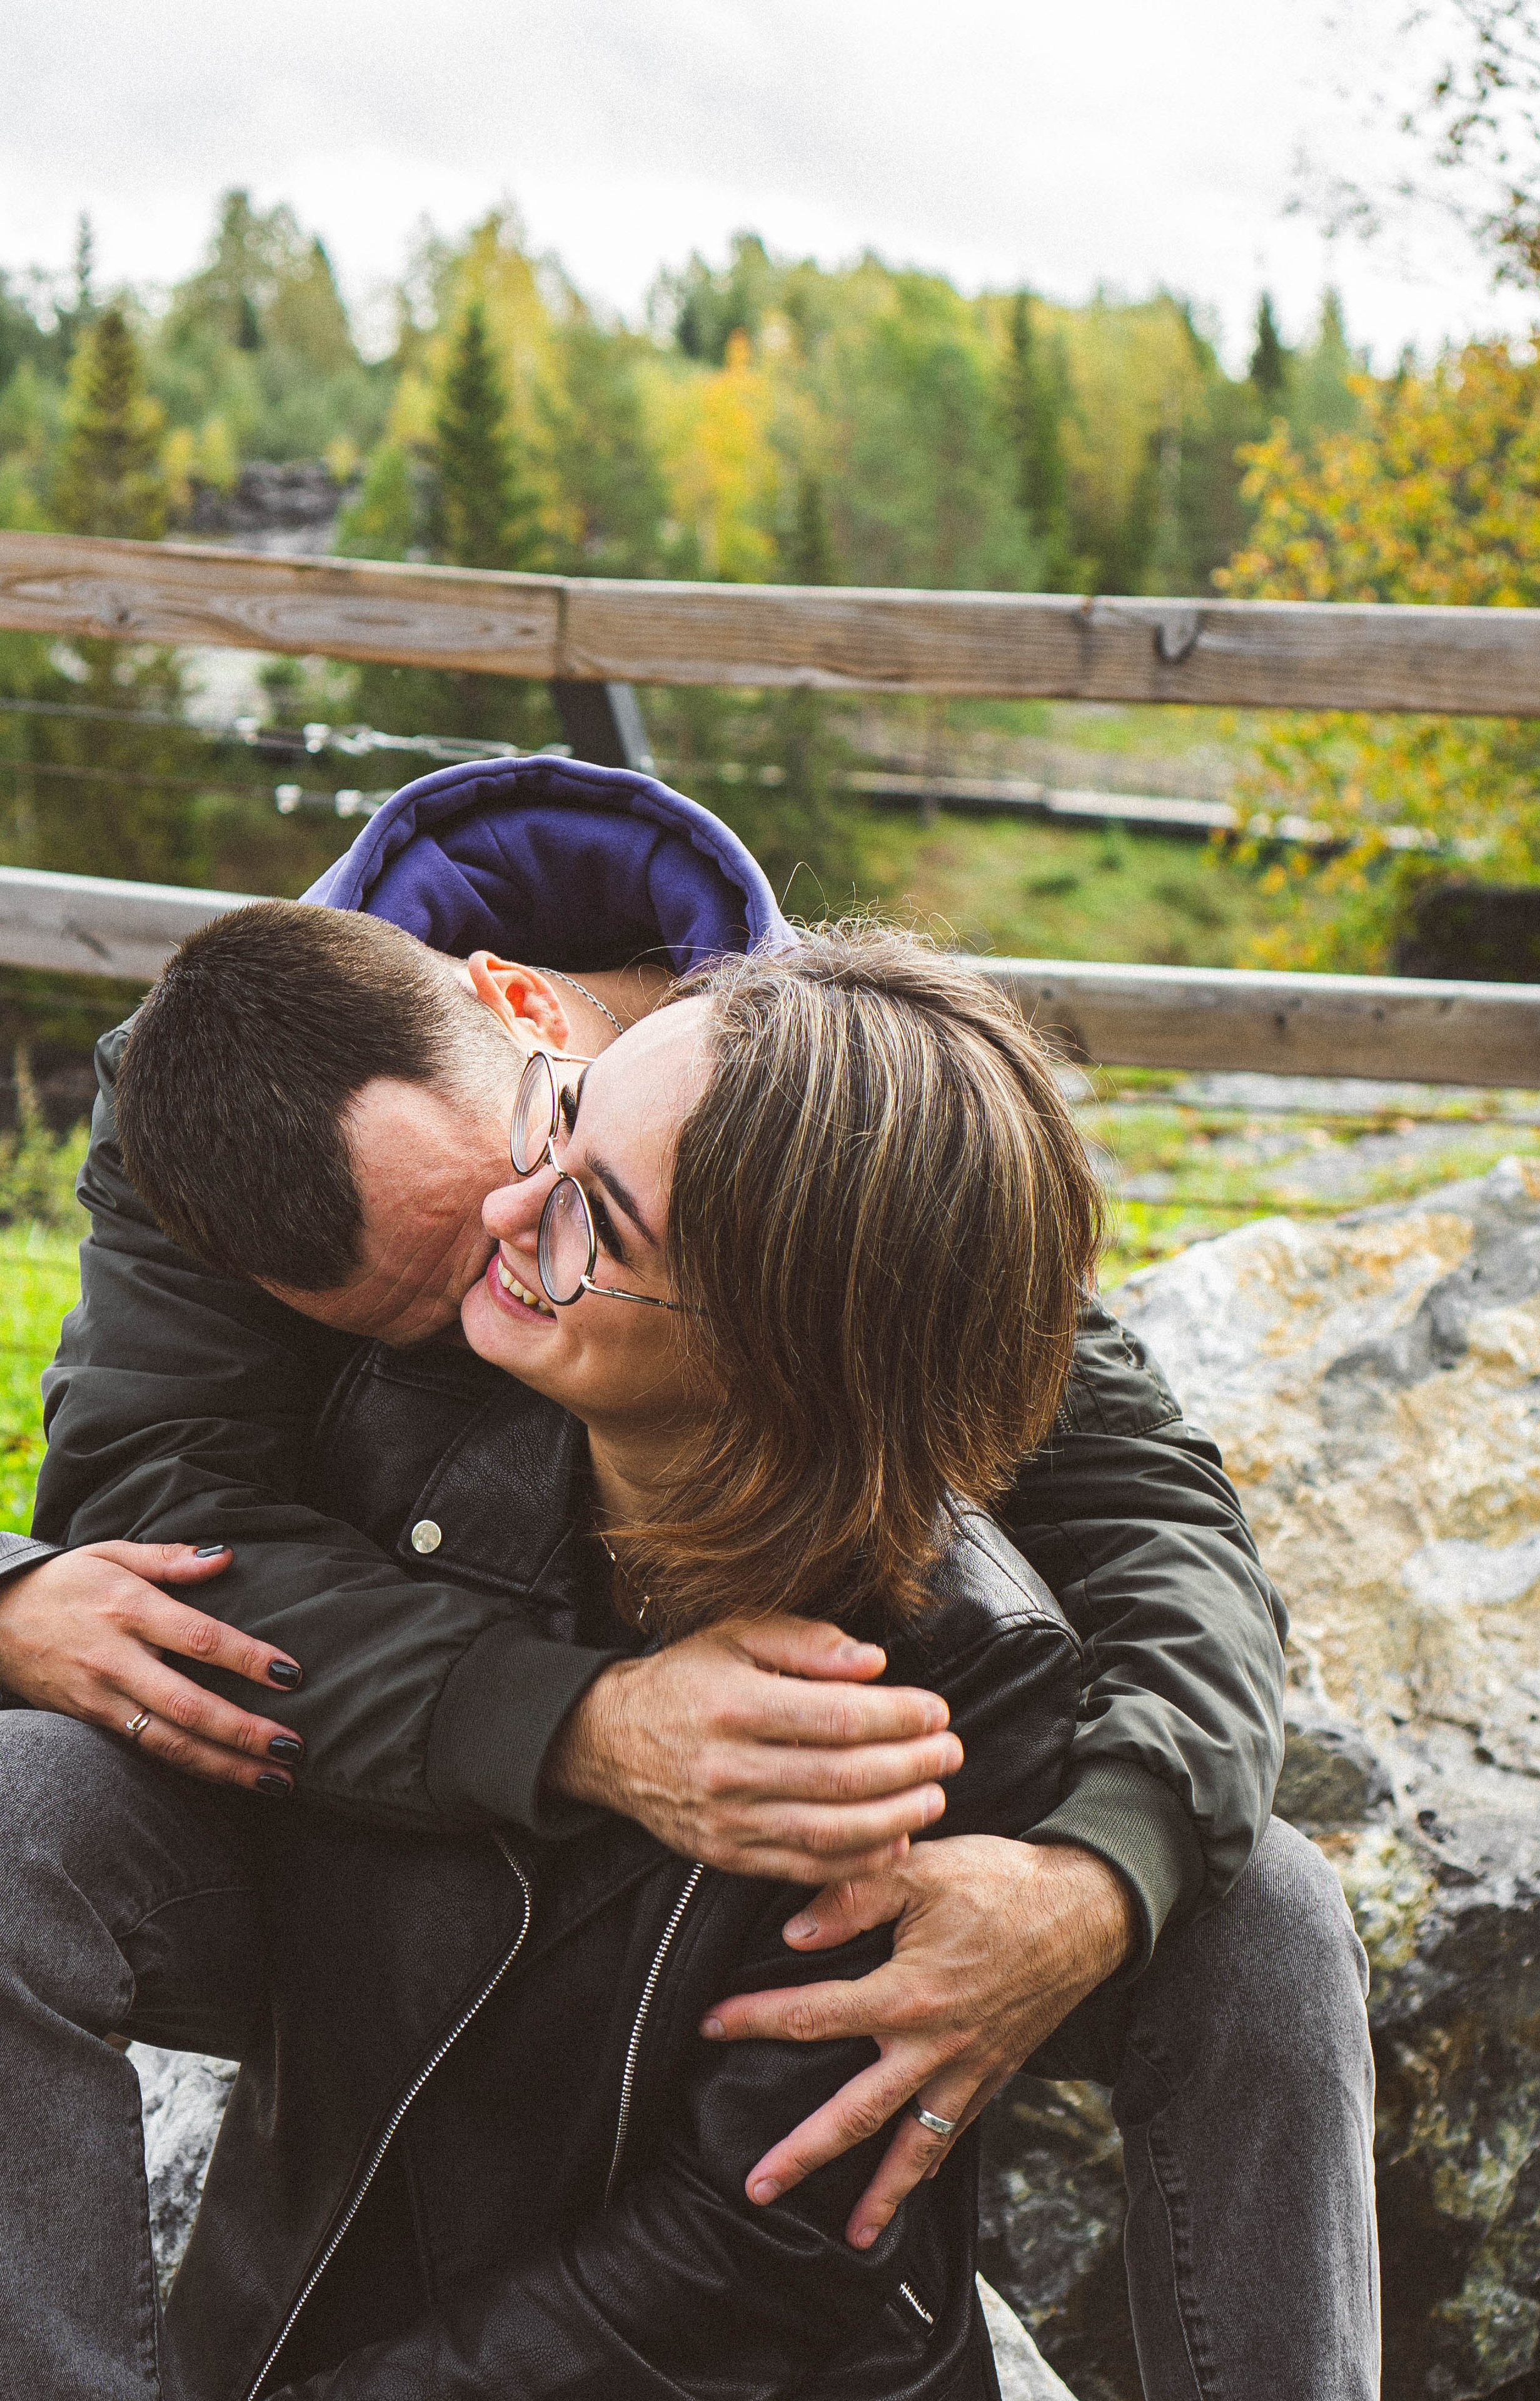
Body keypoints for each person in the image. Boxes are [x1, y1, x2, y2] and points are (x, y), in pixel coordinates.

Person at [0, 758, 1377, 2397]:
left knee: (1265, 1911)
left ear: (544, 1025)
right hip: (378, 1792)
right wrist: (579, 1723)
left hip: (721, 1778)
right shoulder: (207, 1109)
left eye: (559, 1179)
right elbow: (148, 1509)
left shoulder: (837, 1117)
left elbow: (1144, 1497)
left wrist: (1098, 1874)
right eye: (419, 1318)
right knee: (28, 1808)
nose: (510, 1239)